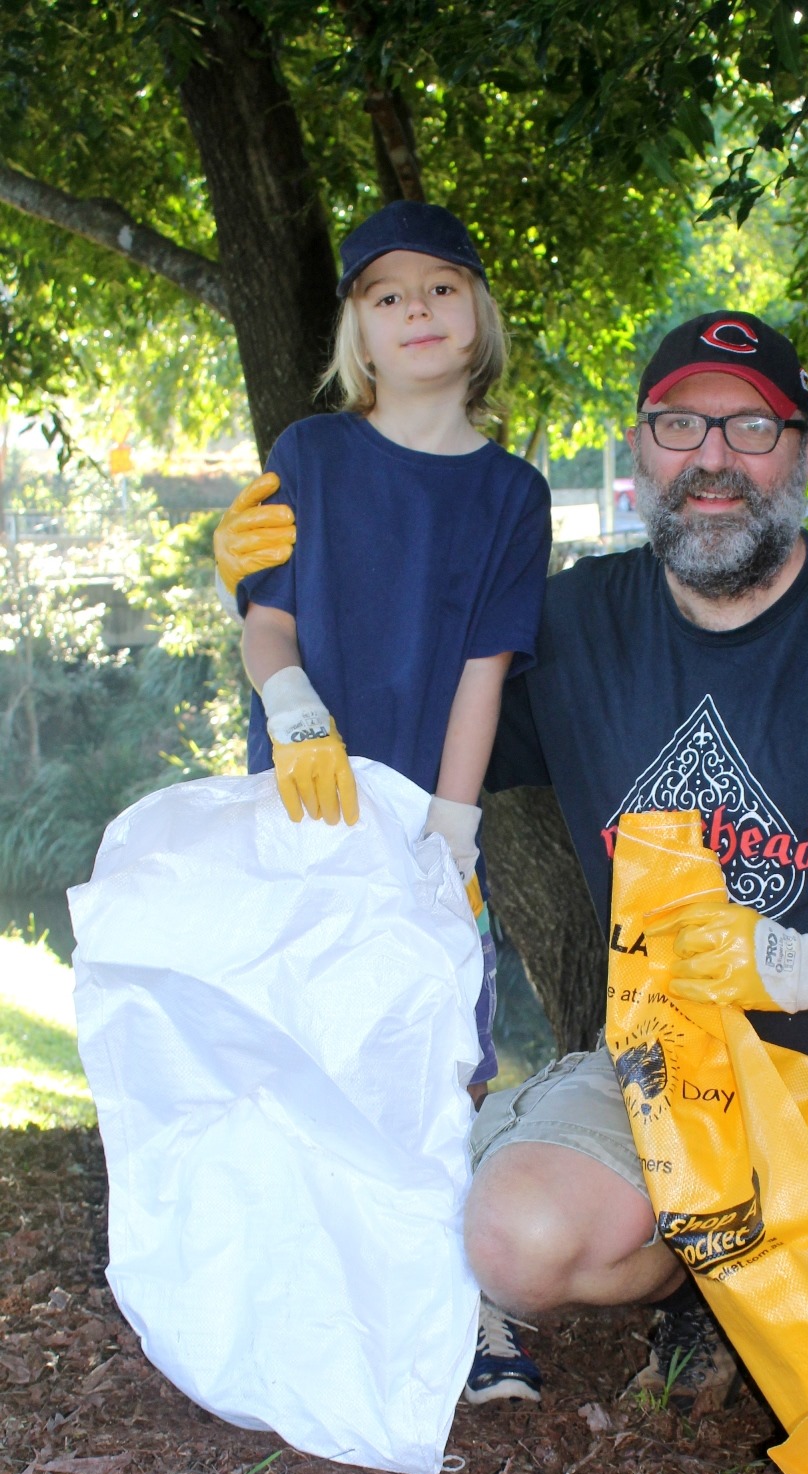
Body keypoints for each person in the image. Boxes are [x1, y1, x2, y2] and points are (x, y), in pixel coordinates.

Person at [215, 309, 808, 1415]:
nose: (711, 458)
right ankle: (701, 1269)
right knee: (517, 1240)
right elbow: (391, 733)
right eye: (679, 424)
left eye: (750, 428)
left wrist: (797, 968)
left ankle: (759, 1277)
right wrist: (275, 600)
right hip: (665, 1086)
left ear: (803, 451)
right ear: (639, 447)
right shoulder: (570, 624)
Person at [213, 199, 551, 1404]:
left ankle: (468, 1320)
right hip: (305, 807)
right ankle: (312, 1305)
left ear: (477, 315)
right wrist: (294, 704)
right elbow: (267, 621)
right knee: (310, 1049)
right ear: (357, 323)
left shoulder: (513, 492)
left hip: (420, 818)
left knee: (443, 1054)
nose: (417, 309)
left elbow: (483, 667)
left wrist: (451, 831)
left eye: (441, 287)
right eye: (387, 292)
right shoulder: (308, 455)